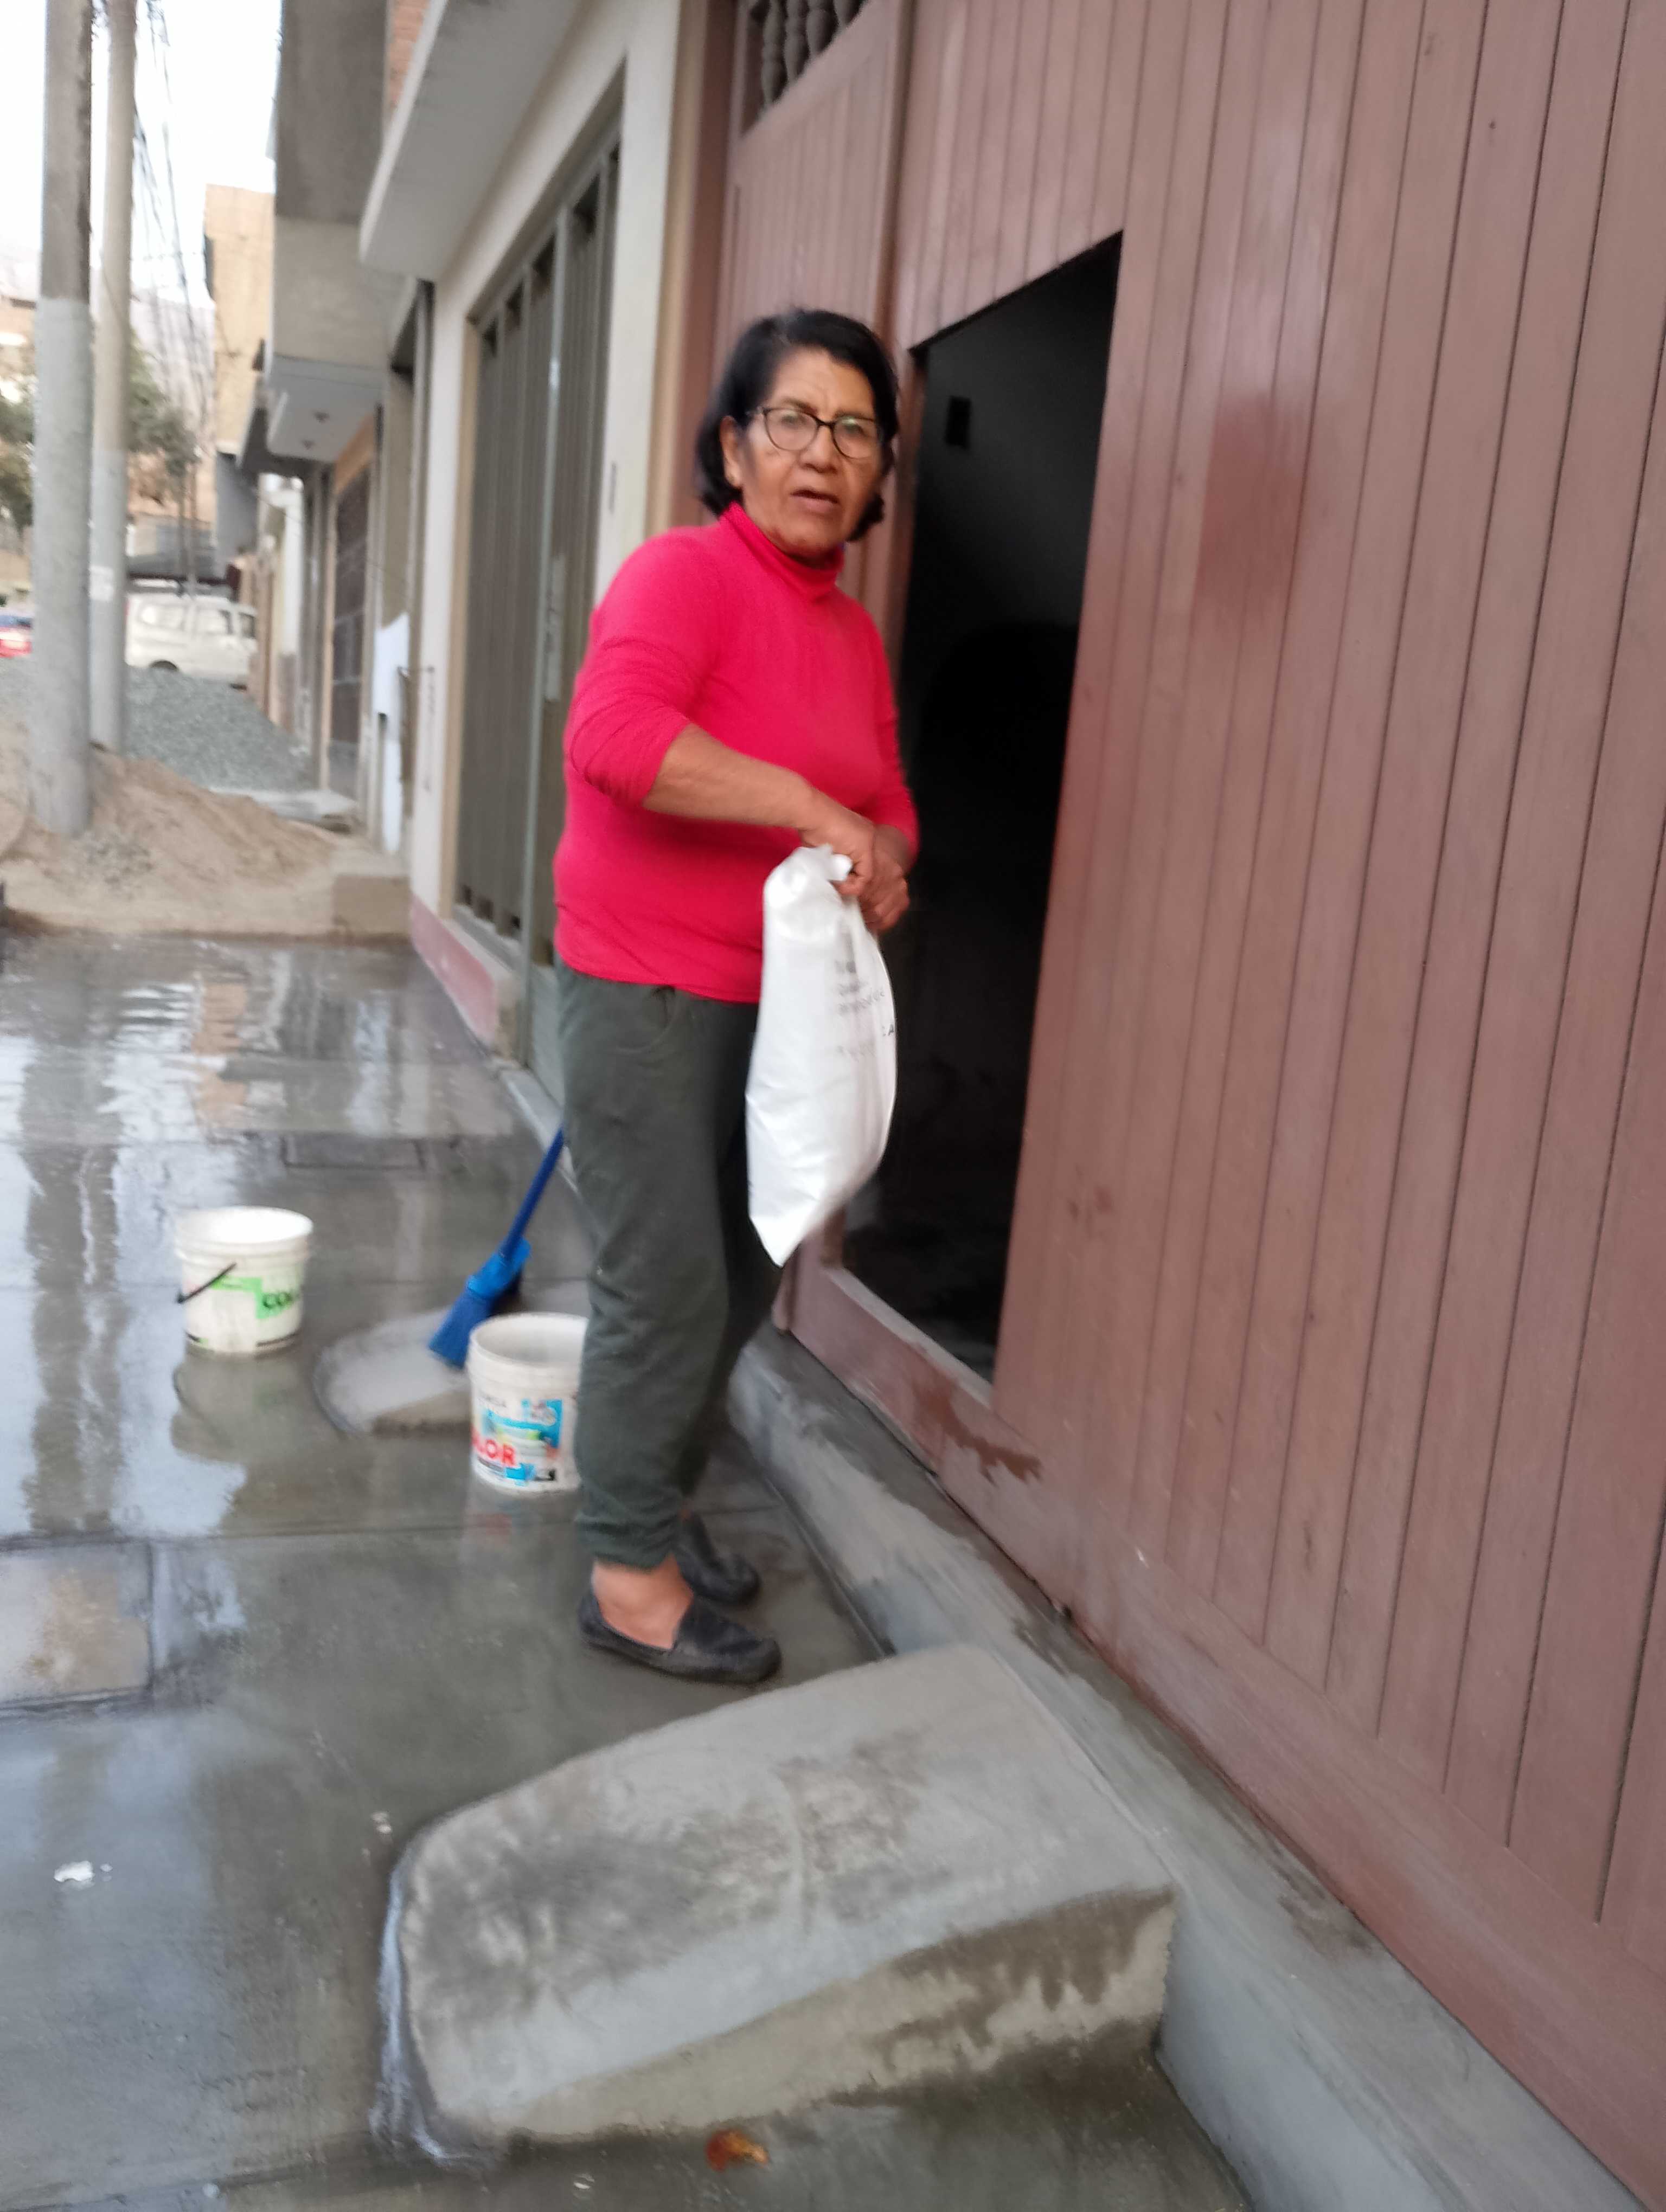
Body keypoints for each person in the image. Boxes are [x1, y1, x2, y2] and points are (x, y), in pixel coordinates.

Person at [554, 308, 919, 1684]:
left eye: (854, 429)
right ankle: (627, 1577)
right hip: (648, 986)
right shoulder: (681, 577)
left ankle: (653, 1499)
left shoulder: (853, 637)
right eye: (793, 421)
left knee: (744, 1272)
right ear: (733, 445)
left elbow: (885, 798)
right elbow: (615, 738)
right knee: (667, 1283)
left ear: (878, 470)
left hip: (785, 1009)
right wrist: (814, 812)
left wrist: (887, 860)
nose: (823, 453)